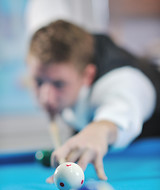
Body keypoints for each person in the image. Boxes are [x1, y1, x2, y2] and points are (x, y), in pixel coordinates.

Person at [27, 20, 160, 181]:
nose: (45, 97)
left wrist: (98, 131)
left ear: (87, 76)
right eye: (39, 81)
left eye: (59, 84)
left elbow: (123, 107)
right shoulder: (71, 73)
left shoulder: (121, 81)